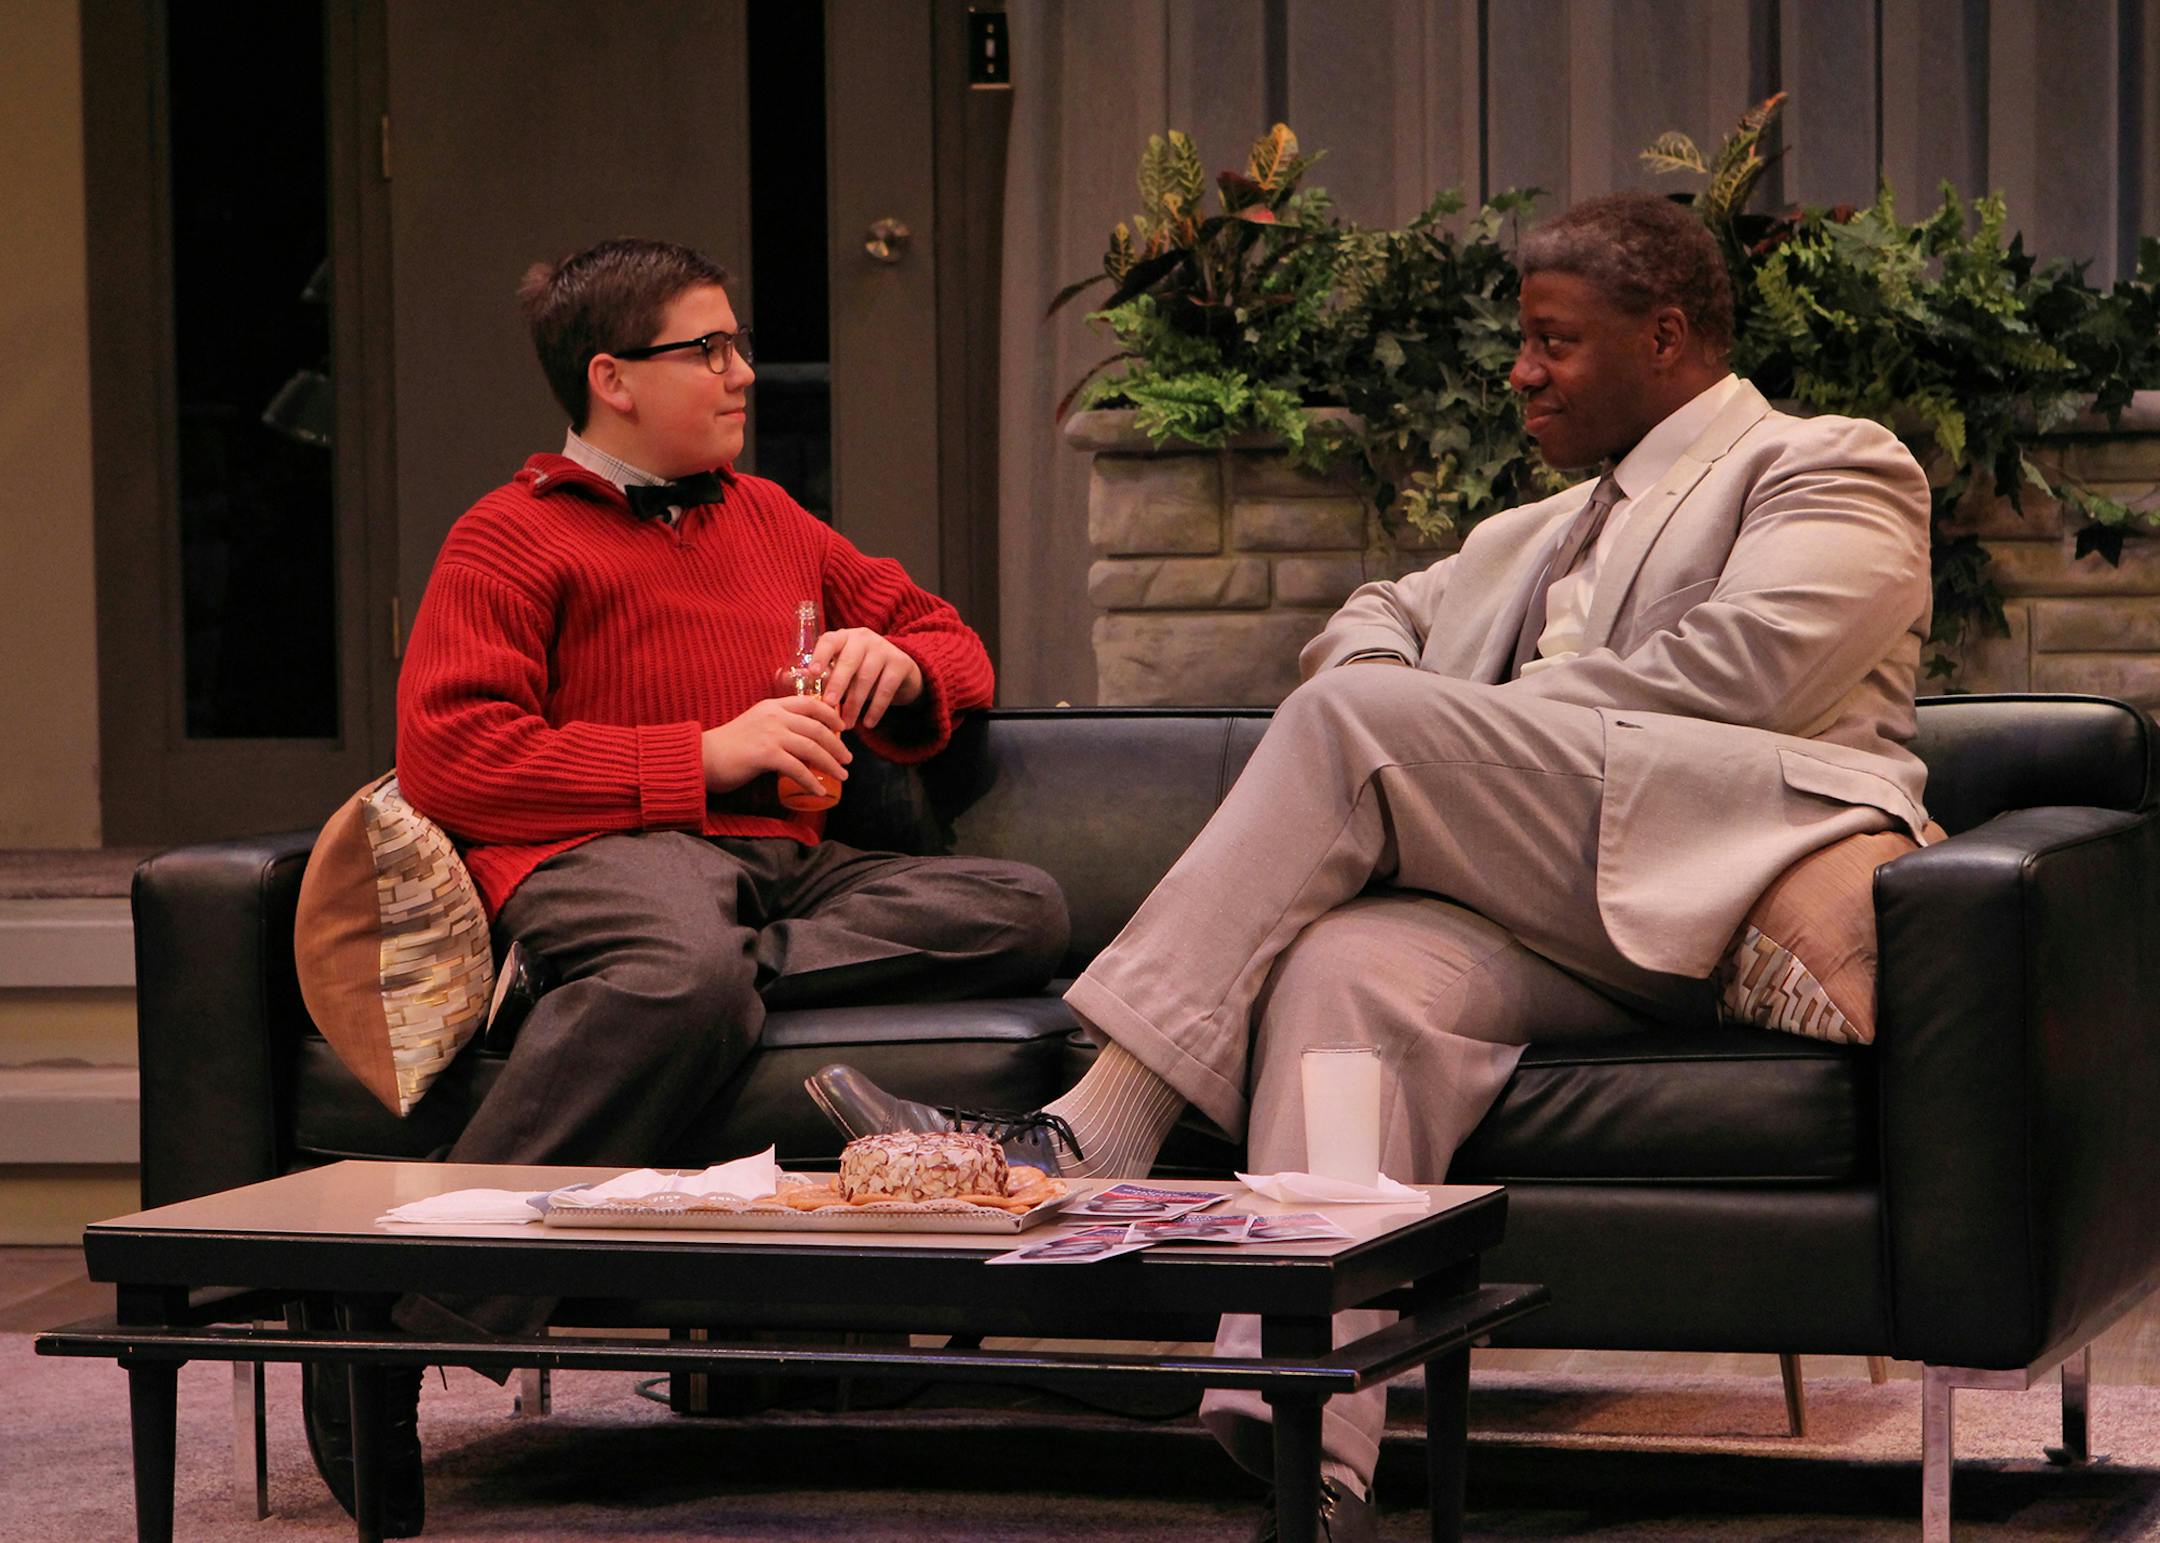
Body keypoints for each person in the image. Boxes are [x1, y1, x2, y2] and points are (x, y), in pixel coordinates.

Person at [809, 191, 1933, 1541]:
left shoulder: (1828, 467)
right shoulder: (1544, 528)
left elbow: (1742, 676)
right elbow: (1372, 619)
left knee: (1370, 722)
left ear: (1670, 337)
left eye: (1552, 342)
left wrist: (1440, 738)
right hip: (1543, 913)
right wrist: (1415, 713)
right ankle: (1308, 1446)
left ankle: (1091, 1127)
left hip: (1712, 882)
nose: (1519, 371)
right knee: (1348, 975)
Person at [301, 237, 1069, 1535]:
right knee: (674, 963)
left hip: (778, 872)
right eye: (706, 350)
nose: (743, 374)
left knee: (1022, 909)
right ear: (612, 378)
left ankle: (681, 987)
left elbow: (951, 639)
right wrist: (698, 759)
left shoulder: (765, 515)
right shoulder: (508, 538)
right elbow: (453, 755)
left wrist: (902, 664)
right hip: (600, 858)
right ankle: (391, 1312)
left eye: (737, 346)